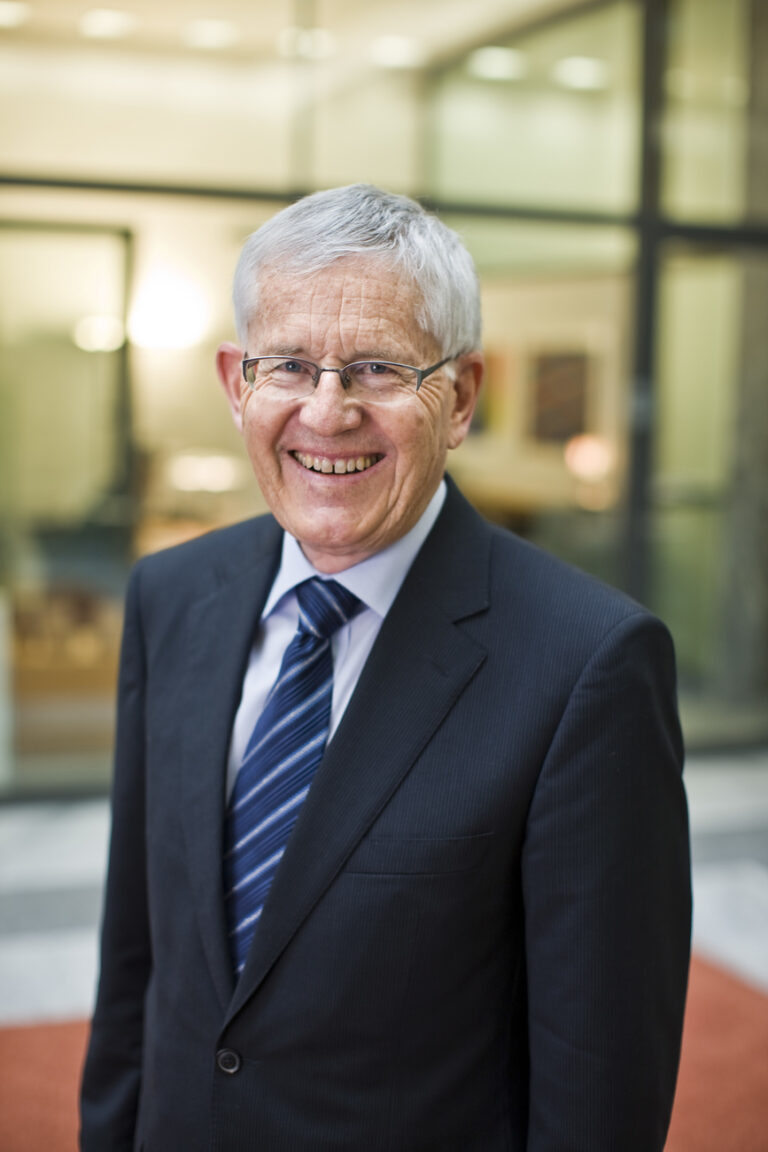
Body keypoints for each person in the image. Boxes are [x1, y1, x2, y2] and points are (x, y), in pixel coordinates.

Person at [80, 184, 691, 1151]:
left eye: (376, 367)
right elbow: (137, 962)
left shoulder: (589, 667)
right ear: (237, 380)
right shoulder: (170, 597)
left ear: (462, 400)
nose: (329, 412)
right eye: (289, 365)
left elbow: (599, 1079)